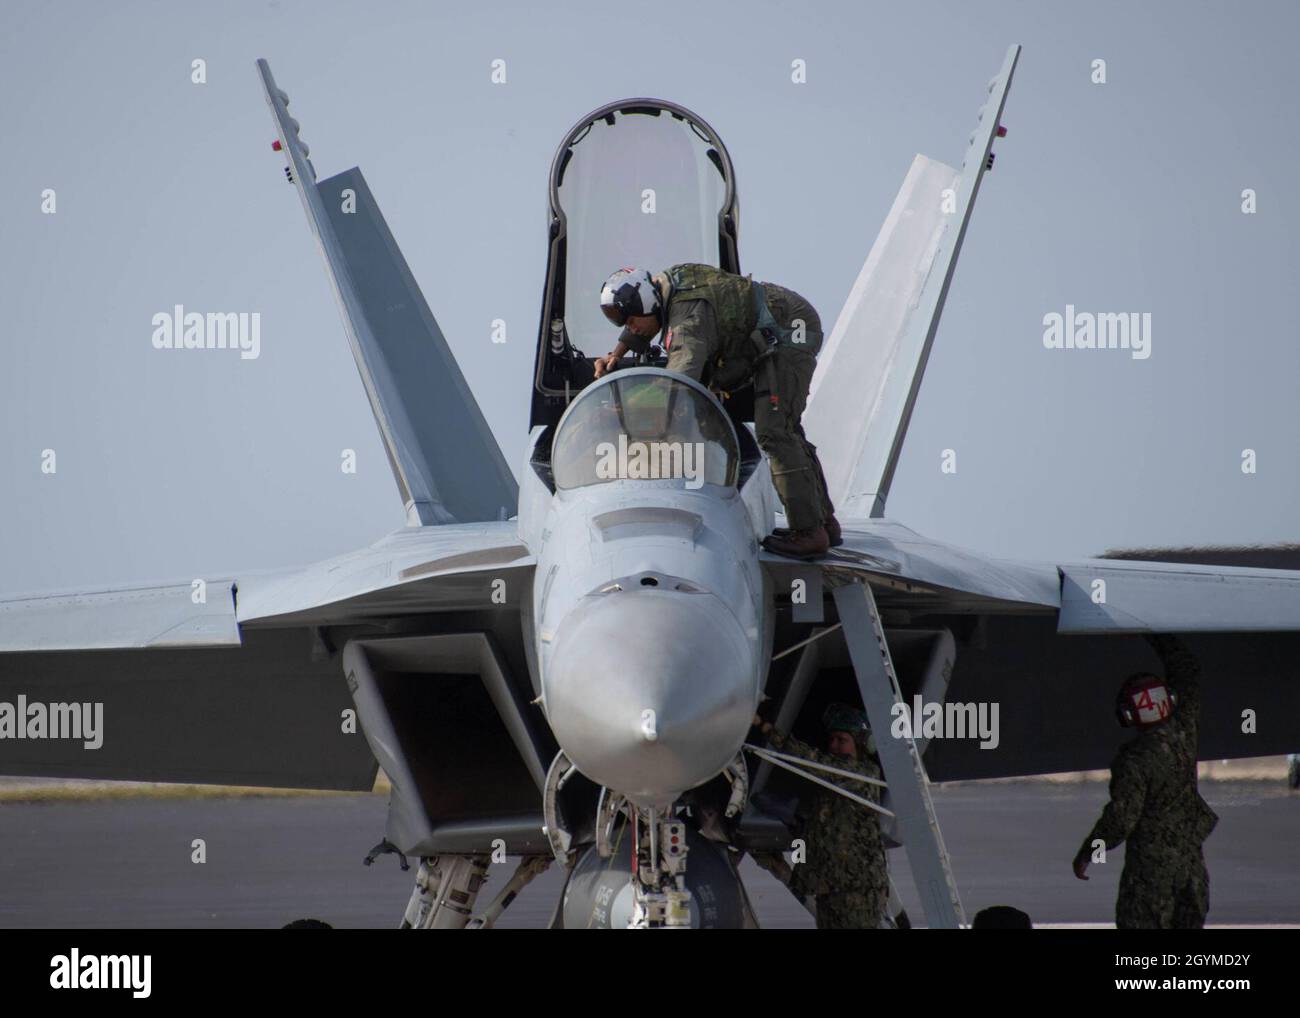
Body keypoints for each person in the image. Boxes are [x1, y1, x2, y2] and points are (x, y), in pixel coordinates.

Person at [596, 264, 838, 559]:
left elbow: (680, 384)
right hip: (783, 323)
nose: (631, 328)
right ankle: (824, 524)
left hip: (789, 332)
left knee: (775, 432)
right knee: (787, 429)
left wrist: (627, 407)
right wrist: (616, 354)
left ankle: (810, 533)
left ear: (648, 305)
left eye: (632, 321)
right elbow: (644, 322)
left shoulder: (687, 323)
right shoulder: (663, 287)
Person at [1072, 633, 1218, 929]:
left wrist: (1090, 851)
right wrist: (1153, 631)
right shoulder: (1184, 732)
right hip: (1191, 871)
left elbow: (1122, 818)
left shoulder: (1134, 760)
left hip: (1150, 877)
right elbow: (1187, 668)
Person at [753, 703, 888, 928]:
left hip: (857, 892)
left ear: (861, 744)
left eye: (842, 740)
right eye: (832, 739)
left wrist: (765, 728)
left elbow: (814, 762)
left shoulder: (862, 775)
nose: (834, 746)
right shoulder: (832, 790)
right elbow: (819, 834)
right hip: (830, 889)